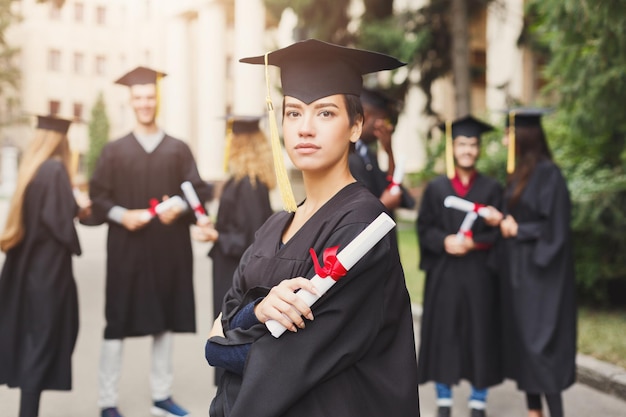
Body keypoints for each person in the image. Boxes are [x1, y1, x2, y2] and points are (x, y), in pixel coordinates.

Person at [204, 39, 420, 417]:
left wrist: (218, 344)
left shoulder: (360, 228)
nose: (305, 128)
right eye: (293, 113)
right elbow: (233, 309)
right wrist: (256, 313)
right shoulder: (273, 227)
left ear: (355, 126)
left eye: (325, 113)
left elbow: (283, 362)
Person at [87, 66, 213, 417]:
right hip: (127, 250)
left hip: (168, 249)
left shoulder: (177, 148)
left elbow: (197, 191)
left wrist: (182, 207)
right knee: (117, 321)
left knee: (165, 318)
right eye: (139, 98)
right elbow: (98, 197)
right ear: (130, 101)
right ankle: (106, 400)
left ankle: (162, 395)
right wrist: (121, 215)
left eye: (150, 97)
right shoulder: (114, 151)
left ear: (157, 100)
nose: (145, 103)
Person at [0, 115, 91, 417]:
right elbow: (57, 222)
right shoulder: (53, 169)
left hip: (29, 272)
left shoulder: (33, 169)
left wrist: (72, 208)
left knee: (32, 347)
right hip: (47, 276)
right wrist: (77, 212)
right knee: (39, 350)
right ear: (61, 140)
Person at [416, 115, 503, 417]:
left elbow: (497, 233)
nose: (468, 149)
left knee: (480, 330)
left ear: (479, 149)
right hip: (445, 274)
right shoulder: (437, 188)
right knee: (444, 331)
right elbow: (424, 228)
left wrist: (474, 243)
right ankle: (444, 398)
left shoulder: (492, 189)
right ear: (452, 147)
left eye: (473, 144)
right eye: (462, 144)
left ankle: (478, 398)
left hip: (479, 273)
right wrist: (444, 242)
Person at [494, 109, 576, 417]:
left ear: (523, 137)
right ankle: (533, 412)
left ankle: (555, 413)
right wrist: (501, 220)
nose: (504, 140)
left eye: (508, 134)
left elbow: (556, 226)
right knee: (523, 345)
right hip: (518, 273)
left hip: (542, 276)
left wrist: (519, 229)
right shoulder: (519, 174)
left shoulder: (548, 174)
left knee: (540, 347)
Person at [191, 115, 275, 384]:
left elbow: (251, 238)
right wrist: (215, 229)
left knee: (230, 333)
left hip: (235, 272)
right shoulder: (245, 181)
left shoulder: (249, 185)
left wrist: (217, 235)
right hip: (230, 266)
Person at [348, 87, 415, 216]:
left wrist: (389, 151)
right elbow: (355, 209)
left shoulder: (368, 155)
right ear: (365, 115)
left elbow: (393, 188)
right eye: (383, 119)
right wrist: (383, 205)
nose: (387, 126)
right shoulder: (346, 155)